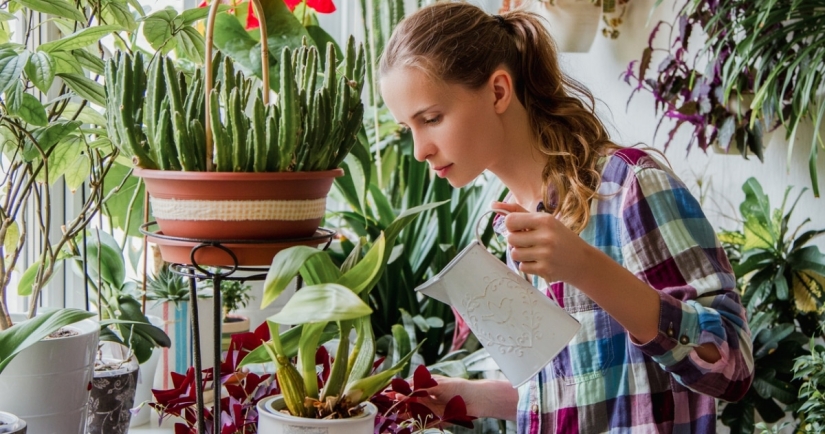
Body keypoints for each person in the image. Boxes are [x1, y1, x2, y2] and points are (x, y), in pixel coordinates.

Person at [378, 2, 754, 433]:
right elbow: (573, 391)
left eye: (432, 118)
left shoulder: (628, 188)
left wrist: (586, 268)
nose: (419, 149)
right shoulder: (508, 221)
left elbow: (732, 368)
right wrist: (469, 396)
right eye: (409, 128)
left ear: (499, 91)